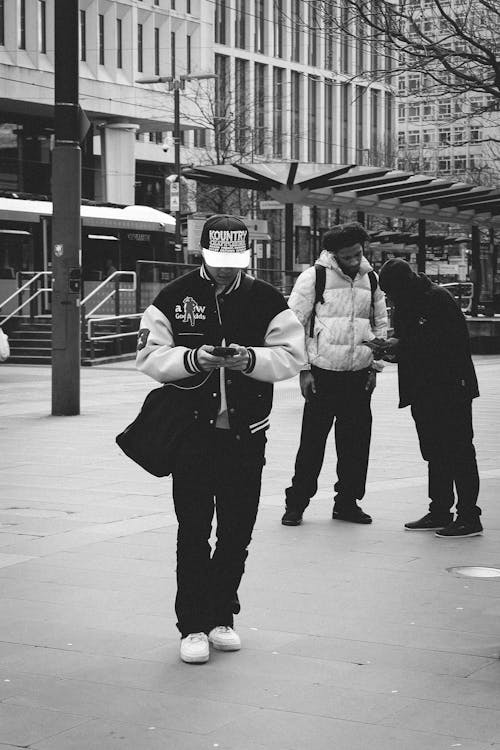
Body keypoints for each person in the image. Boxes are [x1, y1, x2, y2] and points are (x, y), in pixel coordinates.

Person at [136, 214, 305, 664]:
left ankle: (221, 616)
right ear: (202, 253)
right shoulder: (175, 296)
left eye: (234, 259)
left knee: (236, 529)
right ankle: (191, 625)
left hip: (247, 435)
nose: (227, 268)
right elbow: (149, 356)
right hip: (191, 434)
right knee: (192, 530)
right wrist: (194, 359)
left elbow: (292, 356)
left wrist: (250, 358)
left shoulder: (267, 298)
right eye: (218, 259)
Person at [282, 222, 388, 527]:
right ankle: (297, 503)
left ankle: (347, 502)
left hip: (359, 374)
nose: (354, 260)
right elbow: (293, 327)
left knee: (356, 444)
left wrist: (375, 366)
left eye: (358, 254)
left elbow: (380, 322)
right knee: (312, 444)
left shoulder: (371, 278)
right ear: (333, 254)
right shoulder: (313, 277)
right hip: (323, 374)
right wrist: (304, 370)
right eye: (348, 256)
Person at [377, 258, 482, 538]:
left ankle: (469, 516)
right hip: (423, 390)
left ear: (404, 284)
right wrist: (389, 349)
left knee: (459, 450)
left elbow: (449, 343)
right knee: (435, 451)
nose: (390, 298)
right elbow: (412, 344)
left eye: (391, 292)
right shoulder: (406, 301)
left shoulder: (438, 298)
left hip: (451, 388)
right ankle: (439, 510)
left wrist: (403, 346)